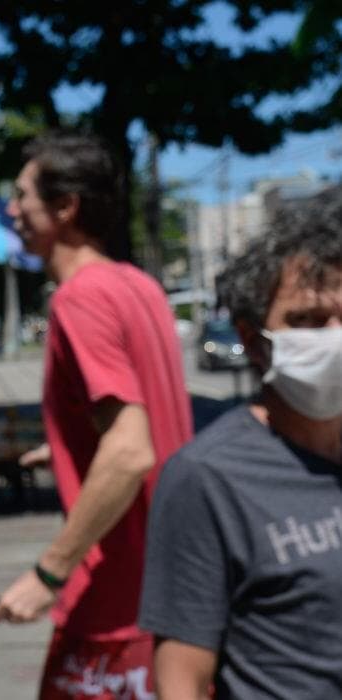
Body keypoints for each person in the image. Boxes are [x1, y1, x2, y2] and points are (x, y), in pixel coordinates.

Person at [0, 133, 193, 699]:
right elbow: (142, 413)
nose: (12, 210)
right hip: (172, 585)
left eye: (21, 196)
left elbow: (130, 451)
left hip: (114, 598)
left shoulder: (80, 298)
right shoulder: (140, 286)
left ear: (65, 208)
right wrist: (63, 447)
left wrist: (48, 574)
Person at [139, 189, 342, 699]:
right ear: (252, 340)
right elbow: (181, 678)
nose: (334, 338)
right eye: (308, 321)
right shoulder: (208, 477)